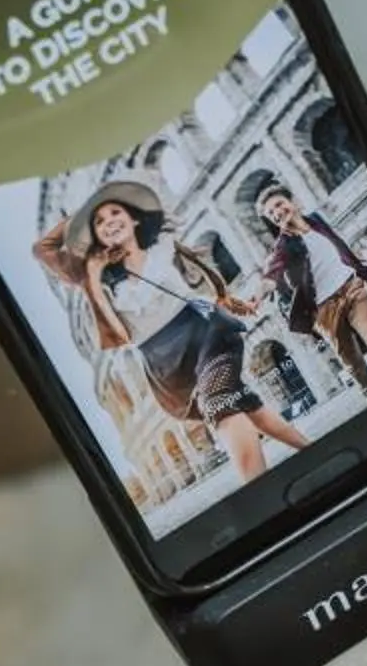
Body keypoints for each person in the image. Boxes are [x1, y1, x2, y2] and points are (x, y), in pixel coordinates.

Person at [34, 180, 311, 485]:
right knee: (247, 404)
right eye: (99, 221)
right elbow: (43, 249)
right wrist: (82, 231)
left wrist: (225, 298)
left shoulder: (161, 244)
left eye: (115, 212)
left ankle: (259, 490)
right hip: (163, 364)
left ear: (134, 219)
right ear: (95, 236)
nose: (109, 221)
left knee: (218, 404)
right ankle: (309, 449)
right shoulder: (96, 276)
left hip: (206, 335)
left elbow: (198, 277)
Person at [257, 181, 367, 401]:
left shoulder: (316, 220)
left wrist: (356, 267)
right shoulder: (282, 247)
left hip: (351, 287)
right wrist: (258, 296)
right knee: (352, 360)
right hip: (324, 309)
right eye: (271, 213)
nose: (277, 213)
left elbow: (337, 244)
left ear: (293, 202)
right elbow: (271, 274)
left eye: (279, 204)